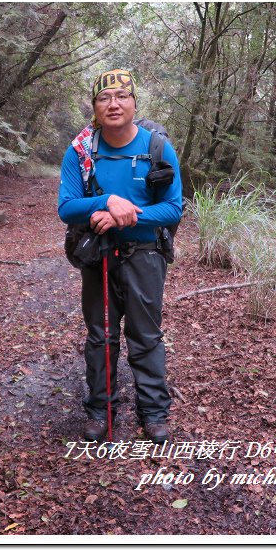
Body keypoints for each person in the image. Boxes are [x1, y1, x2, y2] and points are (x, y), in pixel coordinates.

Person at [57, 69, 183, 443]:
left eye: (121, 96)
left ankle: (154, 414)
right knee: (101, 335)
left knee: (145, 336)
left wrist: (125, 216)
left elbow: (173, 208)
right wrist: (106, 201)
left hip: (146, 254)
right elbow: (67, 207)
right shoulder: (81, 150)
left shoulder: (157, 147)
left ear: (134, 103)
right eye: (104, 98)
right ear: (95, 107)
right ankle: (101, 409)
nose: (113, 104)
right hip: (99, 256)